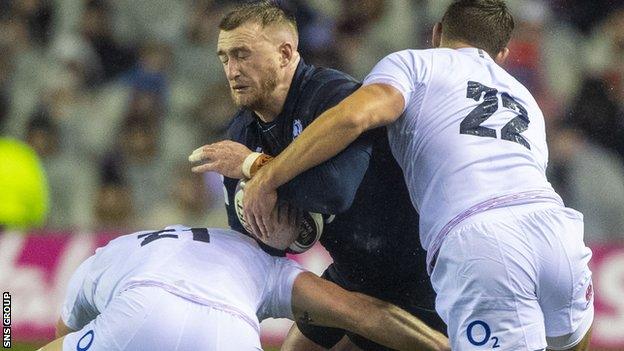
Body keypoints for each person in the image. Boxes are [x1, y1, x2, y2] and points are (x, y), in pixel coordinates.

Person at [241, 1, 594, 350]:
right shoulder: (523, 97)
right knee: (573, 339)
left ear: (437, 32)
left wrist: (269, 173)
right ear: (502, 54)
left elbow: (353, 118)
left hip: (481, 237)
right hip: (556, 228)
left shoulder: (415, 63)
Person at [189, 2, 445, 349]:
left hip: (418, 278)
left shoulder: (333, 97)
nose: (232, 70)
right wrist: (277, 240)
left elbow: (336, 190)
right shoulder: (243, 129)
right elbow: (243, 224)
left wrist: (254, 166)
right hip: (349, 274)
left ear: (284, 53)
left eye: (242, 54)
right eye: (224, 58)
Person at [37, 222, 448, 351]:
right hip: (229, 330)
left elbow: (63, 333)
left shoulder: (106, 255)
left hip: (140, 309)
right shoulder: (268, 264)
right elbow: (362, 313)